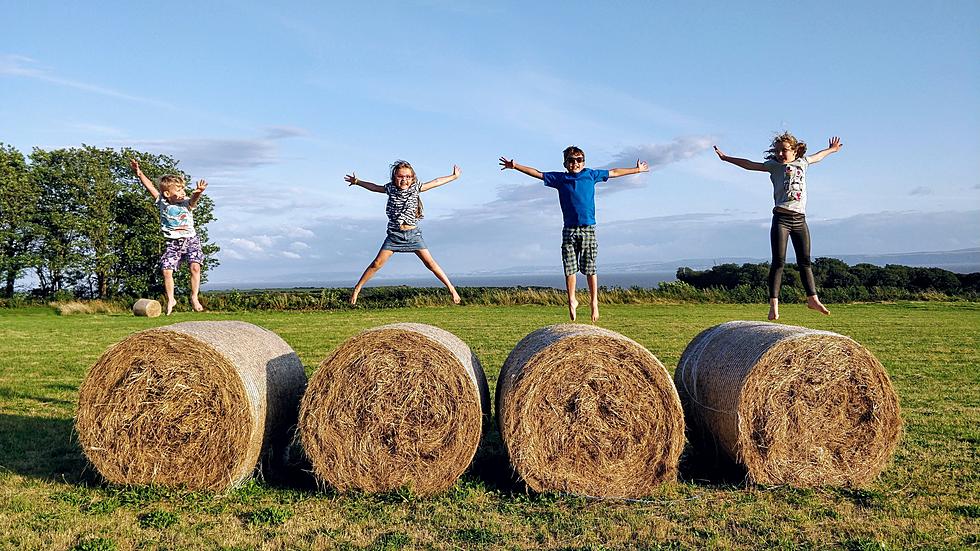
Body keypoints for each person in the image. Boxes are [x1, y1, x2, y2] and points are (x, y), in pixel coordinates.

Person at [499, 147, 649, 322]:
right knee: (569, 268)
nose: (575, 163)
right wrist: (515, 166)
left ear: (583, 162)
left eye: (578, 160)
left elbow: (614, 172)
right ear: (565, 163)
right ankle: (572, 299)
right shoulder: (561, 178)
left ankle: (594, 302)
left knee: (590, 269)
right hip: (569, 230)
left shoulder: (591, 175)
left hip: (588, 229)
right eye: (571, 160)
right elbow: (537, 173)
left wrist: (637, 170)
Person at [713, 132, 843, 320]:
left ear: (795, 150)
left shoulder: (803, 162)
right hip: (781, 219)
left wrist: (832, 150)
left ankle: (812, 299)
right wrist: (726, 158)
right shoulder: (773, 166)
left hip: (800, 220)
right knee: (778, 262)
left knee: (805, 262)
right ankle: (774, 305)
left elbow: (819, 156)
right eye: (778, 151)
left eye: (785, 150)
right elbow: (749, 165)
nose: (781, 154)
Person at [346, 160, 461, 305]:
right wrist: (357, 181)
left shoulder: (416, 188)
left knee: (430, 263)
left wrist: (453, 176)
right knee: (376, 264)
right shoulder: (390, 189)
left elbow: (436, 181)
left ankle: (451, 289)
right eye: (400, 176)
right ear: (394, 177)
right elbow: (374, 187)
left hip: (413, 235)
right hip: (394, 235)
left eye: (407, 177)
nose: (404, 180)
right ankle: (357, 289)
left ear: (412, 178)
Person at [131, 159, 208, 315]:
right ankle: (171, 299)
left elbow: (193, 199)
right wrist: (139, 173)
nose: (183, 193)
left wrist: (198, 192)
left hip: (191, 239)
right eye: (178, 190)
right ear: (167, 193)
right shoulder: (162, 202)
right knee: (166, 271)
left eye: (183, 189)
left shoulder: (187, 203)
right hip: (173, 243)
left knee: (195, 267)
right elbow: (150, 186)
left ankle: (194, 297)